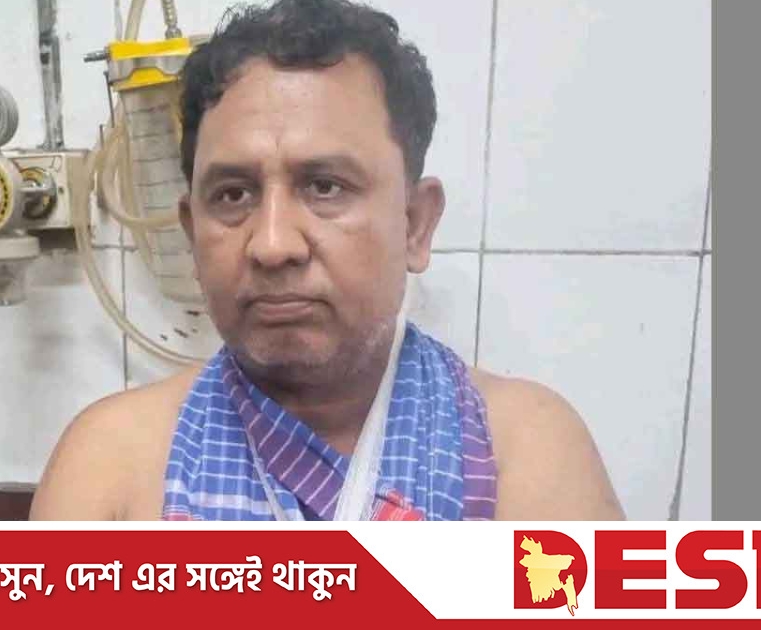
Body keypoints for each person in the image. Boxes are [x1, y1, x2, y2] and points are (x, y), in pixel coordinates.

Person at [31, 0, 623, 521]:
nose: (272, 244)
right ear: (192, 233)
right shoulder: (111, 468)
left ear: (415, 224)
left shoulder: (525, 452)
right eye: (233, 195)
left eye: (325, 186)